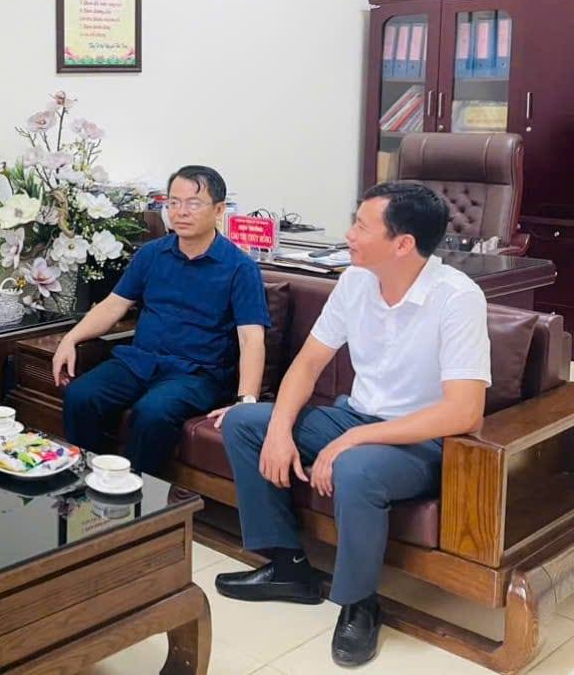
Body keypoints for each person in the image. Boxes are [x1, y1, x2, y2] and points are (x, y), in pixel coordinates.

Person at [216, 182, 488, 667]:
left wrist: (354, 439)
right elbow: (307, 364)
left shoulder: (457, 298)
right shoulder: (355, 281)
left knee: (355, 469)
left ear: (403, 244)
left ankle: (359, 603)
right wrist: (279, 430)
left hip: (421, 439)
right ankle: (288, 566)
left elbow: (464, 412)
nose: (349, 235)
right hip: (354, 416)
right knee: (244, 423)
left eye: (362, 226)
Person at [54, 165, 270, 476]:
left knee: (152, 413)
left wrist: (246, 401)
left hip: (197, 373)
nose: (181, 212)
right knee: (80, 395)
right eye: (174, 202)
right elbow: (113, 306)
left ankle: (131, 492)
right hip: (140, 361)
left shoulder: (240, 268)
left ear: (219, 210)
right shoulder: (151, 254)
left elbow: (252, 338)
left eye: (193, 203)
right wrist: (70, 338)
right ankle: (85, 481)